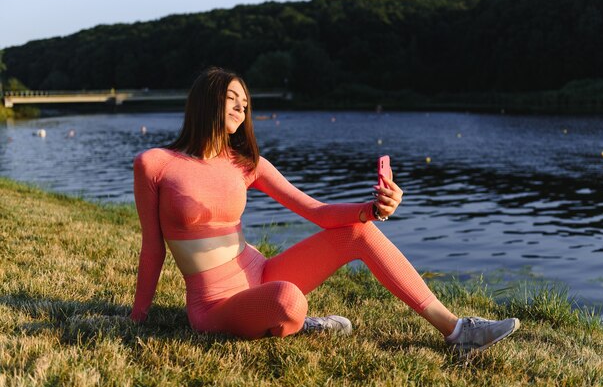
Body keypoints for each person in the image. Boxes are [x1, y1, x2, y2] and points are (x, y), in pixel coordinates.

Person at [130, 67, 520, 354]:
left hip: (259, 271)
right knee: (287, 301)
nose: (240, 109)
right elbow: (153, 248)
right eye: (232, 99)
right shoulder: (156, 163)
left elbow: (317, 211)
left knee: (358, 233)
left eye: (245, 104)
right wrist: (138, 318)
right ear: (204, 100)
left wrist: (371, 209)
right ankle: (299, 323)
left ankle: (457, 331)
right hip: (213, 303)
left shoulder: (247, 164)